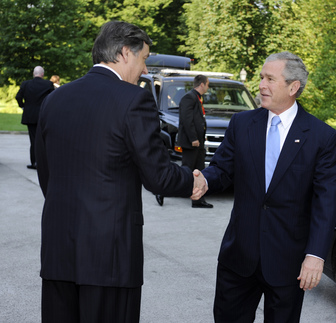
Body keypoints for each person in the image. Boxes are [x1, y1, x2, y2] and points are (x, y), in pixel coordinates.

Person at [35, 21, 207, 323]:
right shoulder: (132, 99)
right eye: (144, 60)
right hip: (109, 258)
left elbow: (46, 175)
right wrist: (193, 179)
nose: (144, 71)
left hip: (58, 252)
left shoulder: (54, 99)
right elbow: (158, 176)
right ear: (125, 53)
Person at [202, 51, 336, 322]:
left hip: (288, 264)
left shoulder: (321, 137)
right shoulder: (242, 124)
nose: (261, 85)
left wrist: (315, 255)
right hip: (238, 258)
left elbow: (327, 201)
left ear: (293, 87)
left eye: (270, 79)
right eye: (261, 77)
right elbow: (221, 168)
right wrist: (203, 179)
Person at [156, 74, 213, 208]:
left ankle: (198, 200)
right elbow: (187, 120)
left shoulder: (197, 98)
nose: (208, 87)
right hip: (191, 142)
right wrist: (193, 138)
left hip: (198, 142)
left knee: (199, 171)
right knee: (185, 171)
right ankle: (161, 191)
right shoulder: (189, 98)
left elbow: (198, 121)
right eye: (208, 84)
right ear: (202, 84)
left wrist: (201, 137)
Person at [15, 66, 54, 169]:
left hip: (30, 116)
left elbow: (18, 97)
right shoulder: (48, 84)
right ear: (42, 74)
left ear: (34, 73)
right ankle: (43, 162)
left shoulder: (26, 84)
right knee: (43, 139)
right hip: (43, 115)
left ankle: (34, 162)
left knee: (33, 140)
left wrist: (23, 106)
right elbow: (53, 98)